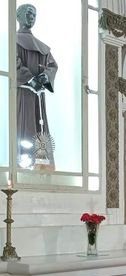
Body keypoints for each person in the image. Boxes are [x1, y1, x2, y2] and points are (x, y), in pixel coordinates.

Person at [16, 3, 58, 171]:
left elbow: (53, 65)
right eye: (28, 13)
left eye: (34, 14)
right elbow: (14, 63)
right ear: (18, 17)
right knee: (24, 126)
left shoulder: (43, 46)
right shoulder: (13, 40)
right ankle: (23, 164)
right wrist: (31, 80)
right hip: (23, 92)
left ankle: (42, 165)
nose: (32, 17)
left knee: (40, 126)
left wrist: (45, 76)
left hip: (38, 95)